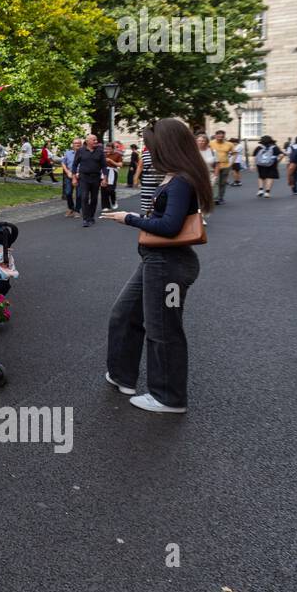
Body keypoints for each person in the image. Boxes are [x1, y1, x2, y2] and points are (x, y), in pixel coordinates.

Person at [100, 118, 213, 414]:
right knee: (124, 314)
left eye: (151, 146)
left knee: (163, 328)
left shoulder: (180, 181)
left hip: (168, 265)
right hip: (157, 261)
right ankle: (122, 375)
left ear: (167, 146)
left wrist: (129, 218)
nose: (148, 151)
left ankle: (168, 396)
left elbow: (170, 227)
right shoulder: (176, 176)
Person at [70, 134, 107, 227]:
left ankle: (91, 216)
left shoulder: (100, 151)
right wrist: (74, 177)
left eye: (96, 140)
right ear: (88, 141)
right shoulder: (80, 151)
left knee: (94, 198)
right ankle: (86, 219)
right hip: (84, 178)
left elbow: (104, 166)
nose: (96, 141)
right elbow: (74, 165)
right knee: (84, 197)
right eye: (94, 140)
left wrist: (105, 178)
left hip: (96, 178)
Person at [209, 130, 233, 204]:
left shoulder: (229, 144)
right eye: (218, 136)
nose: (220, 137)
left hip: (225, 166)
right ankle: (214, 198)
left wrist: (231, 162)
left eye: (222, 136)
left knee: (223, 183)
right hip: (214, 166)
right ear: (215, 136)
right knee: (215, 182)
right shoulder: (210, 143)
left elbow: (234, 153)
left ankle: (221, 198)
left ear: (224, 136)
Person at [138, 142, 161, 216]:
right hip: (147, 184)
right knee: (148, 205)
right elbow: (140, 166)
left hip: (160, 184)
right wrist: (136, 177)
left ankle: (153, 219)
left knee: (159, 203)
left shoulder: (163, 154)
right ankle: (148, 218)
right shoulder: (145, 154)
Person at [61, 137, 81, 216]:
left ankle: (77, 210)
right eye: (75, 143)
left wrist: (79, 173)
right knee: (68, 193)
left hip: (80, 176)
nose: (77, 145)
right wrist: (67, 171)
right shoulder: (68, 153)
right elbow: (63, 163)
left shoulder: (84, 153)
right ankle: (71, 208)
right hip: (69, 175)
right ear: (72, 145)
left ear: (81, 144)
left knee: (79, 194)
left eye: (79, 143)